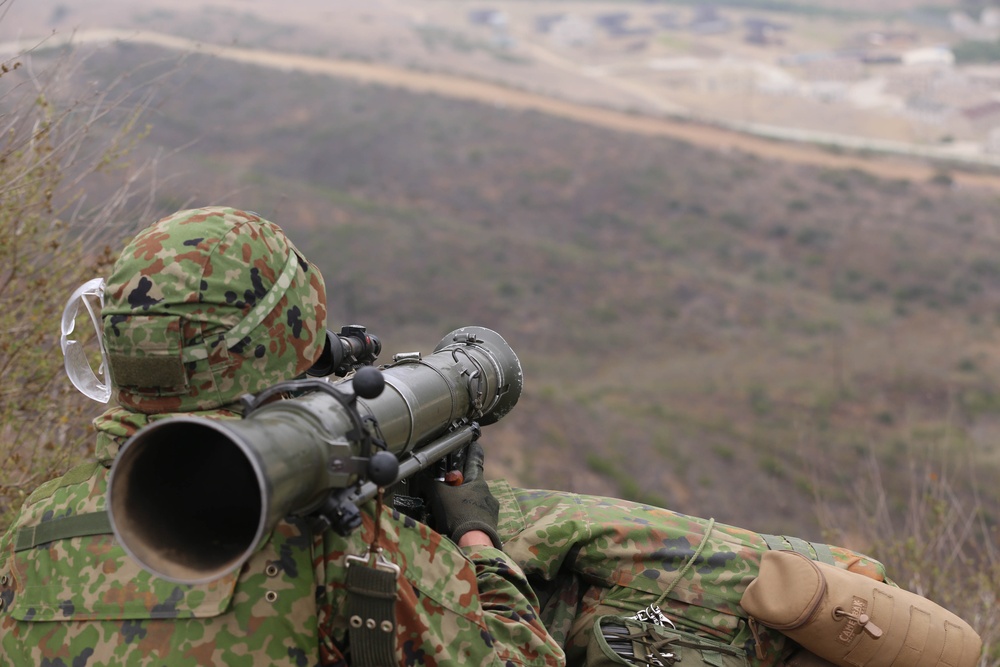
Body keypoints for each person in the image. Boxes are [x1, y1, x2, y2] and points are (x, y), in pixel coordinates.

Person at [0, 206, 565, 667]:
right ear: (280, 346)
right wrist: (475, 537)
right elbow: (527, 655)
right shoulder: (323, 536)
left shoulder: (32, 524)